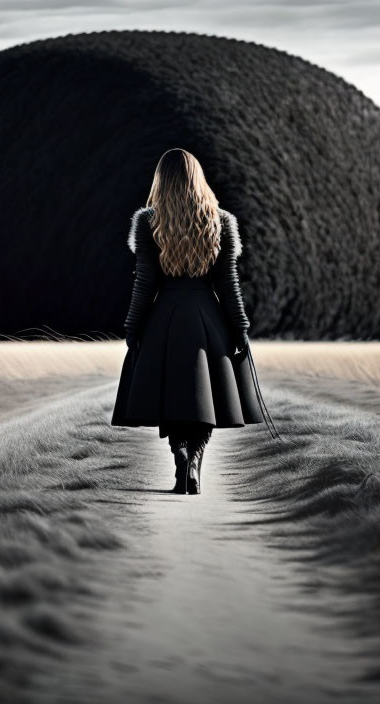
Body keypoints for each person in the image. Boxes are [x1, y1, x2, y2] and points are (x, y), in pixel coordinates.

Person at [111, 148, 276, 495]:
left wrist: (132, 327)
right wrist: (240, 328)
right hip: (208, 318)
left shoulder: (147, 221)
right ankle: (197, 458)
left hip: (164, 317)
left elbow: (145, 282)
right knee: (207, 395)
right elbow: (228, 283)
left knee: (171, 392)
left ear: (161, 180)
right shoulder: (222, 222)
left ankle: (181, 454)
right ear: (199, 179)